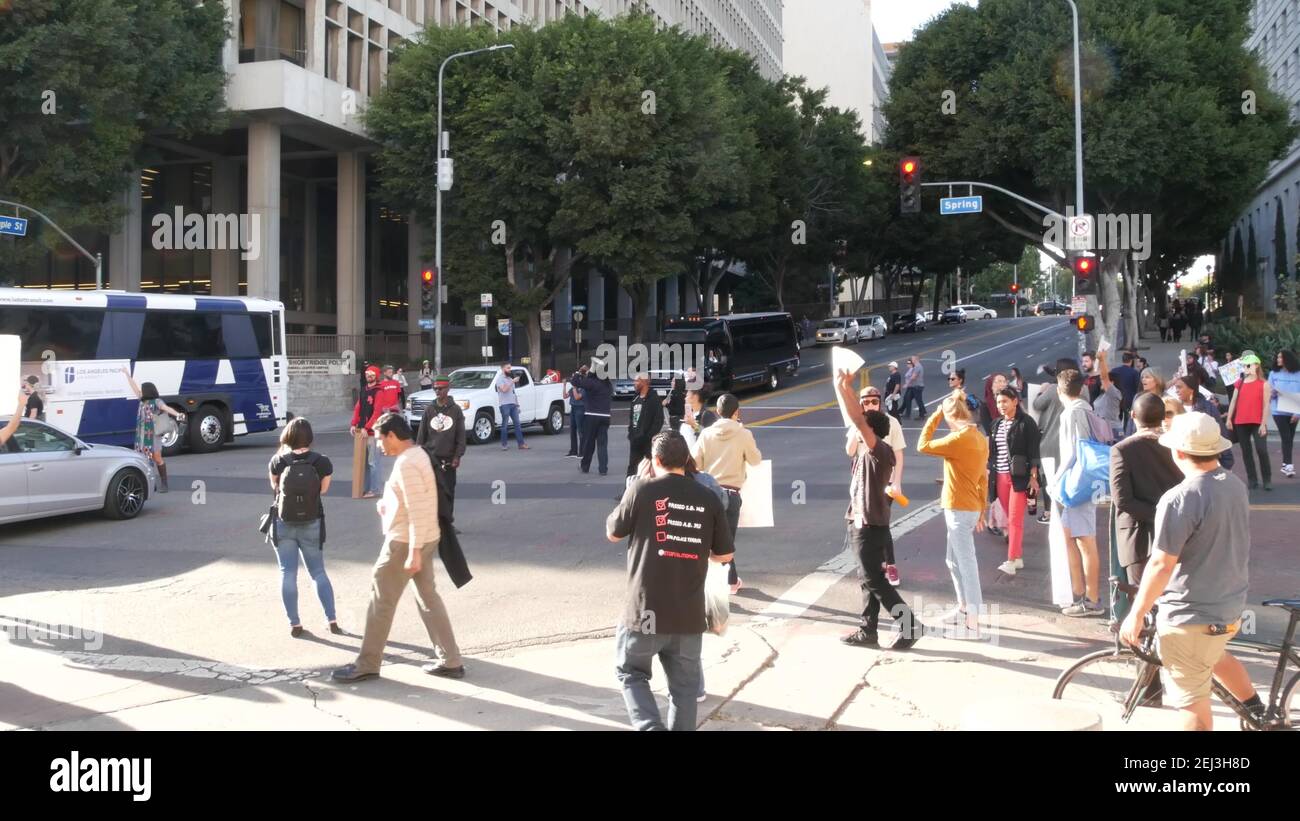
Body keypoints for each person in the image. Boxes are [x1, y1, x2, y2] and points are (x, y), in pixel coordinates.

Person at [1119, 412, 1261, 731]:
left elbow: (1160, 564)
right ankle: (1258, 712)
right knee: (1214, 656)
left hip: (1190, 615)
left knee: (1191, 701)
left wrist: (1136, 613)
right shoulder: (1234, 485)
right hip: (1229, 605)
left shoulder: (1180, 498)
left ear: (1179, 452)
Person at [607, 432, 734, 731]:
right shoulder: (708, 497)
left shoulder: (641, 489)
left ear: (656, 461)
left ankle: (650, 727)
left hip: (645, 612)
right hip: (688, 614)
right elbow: (725, 554)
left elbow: (613, 532)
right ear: (686, 461)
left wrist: (636, 483)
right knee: (685, 690)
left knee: (631, 672)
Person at [332, 413, 465, 683]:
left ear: (393, 435)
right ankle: (450, 660)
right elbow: (418, 500)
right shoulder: (420, 455)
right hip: (425, 537)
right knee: (428, 598)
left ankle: (367, 663)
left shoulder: (405, 463)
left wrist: (414, 552)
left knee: (381, 600)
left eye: (381, 439)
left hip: (405, 543)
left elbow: (417, 508)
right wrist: (388, 506)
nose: (380, 445)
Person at [835, 370, 923, 650]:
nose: (860, 426)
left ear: (871, 432)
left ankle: (910, 625)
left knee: (873, 579)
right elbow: (858, 419)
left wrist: (843, 386)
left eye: (864, 427)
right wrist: (845, 388)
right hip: (865, 519)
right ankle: (868, 630)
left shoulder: (878, 451)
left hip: (868, 522)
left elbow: (858, 419)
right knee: (868, 577)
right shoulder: (874, 451)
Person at [917, 389, 989, 635]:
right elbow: (983, 479)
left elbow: (923, 445)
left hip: (958, 508)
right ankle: (964, 608)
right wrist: (982, 508)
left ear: (950, 415)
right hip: (968, 507)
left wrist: (935, 415)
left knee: (966, 563)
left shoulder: (958, 440)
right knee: (954, 560)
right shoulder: (979, 438)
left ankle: (973, 615)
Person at [268, 418, 341, 638]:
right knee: (318, 571)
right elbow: (323, 490)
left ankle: (295, 624)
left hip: (284, 522)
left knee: (287, 572)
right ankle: (332, 620)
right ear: (310, 437)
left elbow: (274, 487)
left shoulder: (278, 460)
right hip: (312, 521)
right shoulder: (322, 461)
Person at [1111, 394, 1183, 588]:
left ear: (1133, 415)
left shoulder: (1122, 449)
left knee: (1141, 600)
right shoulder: (1178, 446)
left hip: (1137, 537)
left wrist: (1156, 514)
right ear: (1162, 418)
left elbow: (1123, 499)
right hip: (1175, 532)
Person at [691, 393, 761, 594]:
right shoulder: (743, 434)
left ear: (717, 412)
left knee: (709, 539)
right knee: (726, 540)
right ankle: (729, 582)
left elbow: (696, 463)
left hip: (708, 492)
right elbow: (756, 460)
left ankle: (723, 581)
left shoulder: (706, 434)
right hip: (731, 493)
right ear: (736, 412)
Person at [1054, 369, 1104, 617]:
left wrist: (1055, 481)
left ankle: (1092, 600)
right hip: (1088, 480)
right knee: (1074, 535)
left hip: (1077, 482)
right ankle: (1080, 593)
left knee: (1085, 540)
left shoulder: (1071, 414)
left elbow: (1072, 453)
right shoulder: (1087, 409)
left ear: (1059, 389)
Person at [987, 387, 1041, 576]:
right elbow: (992, 453)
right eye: (999, 402)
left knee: (1015, 518)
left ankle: (1011, 560)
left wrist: (1033, 477)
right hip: (1000, 476)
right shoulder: (996, 424)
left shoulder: (1026, 423)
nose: (1001, 406)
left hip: (1019, 477)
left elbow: (1034, 451)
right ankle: (1017, 557)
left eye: (1005, 402)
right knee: (1011, 518)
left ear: (1015, 401)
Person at [860, 385, 907, 585]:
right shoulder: (859, 424)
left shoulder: (891, 422)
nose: (871, 404)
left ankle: (891, 565)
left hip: (885, 483)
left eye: (874, 401)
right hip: (862, 483)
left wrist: (897, 482)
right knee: (866, 525)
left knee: (882, 524)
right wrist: (856, 431)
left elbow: (899, 455)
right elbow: (849, 451)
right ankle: (875, 564)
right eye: (866, 401)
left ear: (880, 402)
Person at [121, 367, 185, 493]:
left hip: (153, 435)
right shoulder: (142, 400)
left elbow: (166, 408)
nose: (140, 390)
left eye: (143, 389)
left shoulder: (156, 401)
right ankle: (151, 484)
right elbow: (134, 387)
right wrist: (127, 375)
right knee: (144, 459)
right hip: (141, 435)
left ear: (147, 390)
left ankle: (164, 483)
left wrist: (178, 414)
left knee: (157, 458)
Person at [415, 375, 467, 521]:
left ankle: (448, 521)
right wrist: (419, 455)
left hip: (449, 458)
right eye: (435, 389)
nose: (438, 391)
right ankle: (433, 522)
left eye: (441, 389)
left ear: (448, 389)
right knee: (431, 491)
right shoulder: (429, 410)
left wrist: (458, 455)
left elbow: (461, 436)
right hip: (431, 457)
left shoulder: (455, 410)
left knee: (448, 491)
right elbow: (421, 435)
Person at [351, 365, 402, 498]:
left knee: (373, 462)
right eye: (368, 374)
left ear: (377, 376)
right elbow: (358, 408)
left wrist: (366, 427)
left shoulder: (379, 391)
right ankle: (366, 488)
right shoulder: (363, 390)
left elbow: (377, 412)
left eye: (372, 374)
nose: (369, 376)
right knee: (365, 463)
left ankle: (375, 489)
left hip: (372, 432)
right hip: (362, 431)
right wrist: (353, 424)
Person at [1225, 352, 1271, 490]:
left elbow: (1266, 404)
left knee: (1261, 450)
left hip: (1257, 422)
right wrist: (1229, 419)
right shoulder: (1240, 382)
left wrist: (1263, 423)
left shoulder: (1264, 384)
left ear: (1256, 366)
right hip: (1241, 422)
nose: (1245, 368)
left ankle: (1267, 479)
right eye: (1244, 366)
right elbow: (1233, 401)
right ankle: (1252, 479)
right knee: (1246, 452)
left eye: (1248, 365)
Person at [1171, 374, 1233, 471]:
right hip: (1183, 464)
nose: (1176, 391)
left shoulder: (1209, 408)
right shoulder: (1174, 408)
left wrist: (1226, 461)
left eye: (1179, 387)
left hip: (1207, 462)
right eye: (1176, 387)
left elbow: (1221, 433)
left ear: (1191, 389)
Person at [572, 362, 613, 475]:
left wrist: (579, 372)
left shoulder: (592, 383)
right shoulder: (608, 384)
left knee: (589, 443)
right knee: (602, 444)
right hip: (605, 416)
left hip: (592, 415)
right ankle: (603, 469)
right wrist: (589, 372)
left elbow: (575, 382)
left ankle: (585, 466)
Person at [1268, 349, 1300, 478]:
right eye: (1278, 357)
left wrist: (1298, 413)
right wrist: (1272, 393)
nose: (1278, 359)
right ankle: (1289, 465)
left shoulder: (1298, 374)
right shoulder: (1273, 374)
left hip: (1294, 411)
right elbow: (1269, 394)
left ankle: (1285, 463)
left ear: (1288, 359)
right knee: (1286, 437)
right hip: (1278, 411)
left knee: (1289, 438)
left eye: (1280, 357)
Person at [627, 374, 665, 478]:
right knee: (632, 467)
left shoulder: (654, 399)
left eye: (636, 381)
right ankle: (629, 490)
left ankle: (649, 489)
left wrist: (648, 436)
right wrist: (631, 434)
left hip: (647, 441)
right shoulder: (635, 398)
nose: (634, 384)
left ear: (644, 382)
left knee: (650, 466)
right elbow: (632, 418)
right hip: (635, 440)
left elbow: (659, 420)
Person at [494, 362, 529, 450]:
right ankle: (504, 445)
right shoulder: (499, 379)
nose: (510, 370)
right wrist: (512, 381)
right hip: (504, 405)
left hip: (513, 404)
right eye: (508, 368)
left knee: (517, 424)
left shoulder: (510, 378)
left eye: (510, 368)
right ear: (502, 369)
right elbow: (504, 390)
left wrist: (517, 404)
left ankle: (521, 444)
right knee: (505, 425)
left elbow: (513, 393)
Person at [1091, 349, 1123, 441]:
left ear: (1112, 382)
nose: (1100, 383)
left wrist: (1102, 360)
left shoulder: (1113, 393)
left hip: (1112, 432)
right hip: (1104, 430)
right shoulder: (1103, 395)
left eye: (1102, 382)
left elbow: (1104, 377)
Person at [565, 377, 586, 458]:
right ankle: (573, 450)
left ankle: (582, 452)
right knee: (572, 430)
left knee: (580, 431)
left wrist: (574, 388)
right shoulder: (572, 389)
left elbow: (577, 397)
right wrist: (564, 386)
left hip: (580, 409)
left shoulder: (583, 389)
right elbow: (565, 396)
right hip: (573, 408)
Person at [901, 355, 926, 420]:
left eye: (912, 359)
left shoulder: (917, 366)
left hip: (917, 386)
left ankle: (922, 415)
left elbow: (913, 377)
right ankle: (908, 414)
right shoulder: (917, 366)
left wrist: (907, 384)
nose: (911, 360)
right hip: (915, 386)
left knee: (918, 401)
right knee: (907, 398)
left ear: (915, 359)